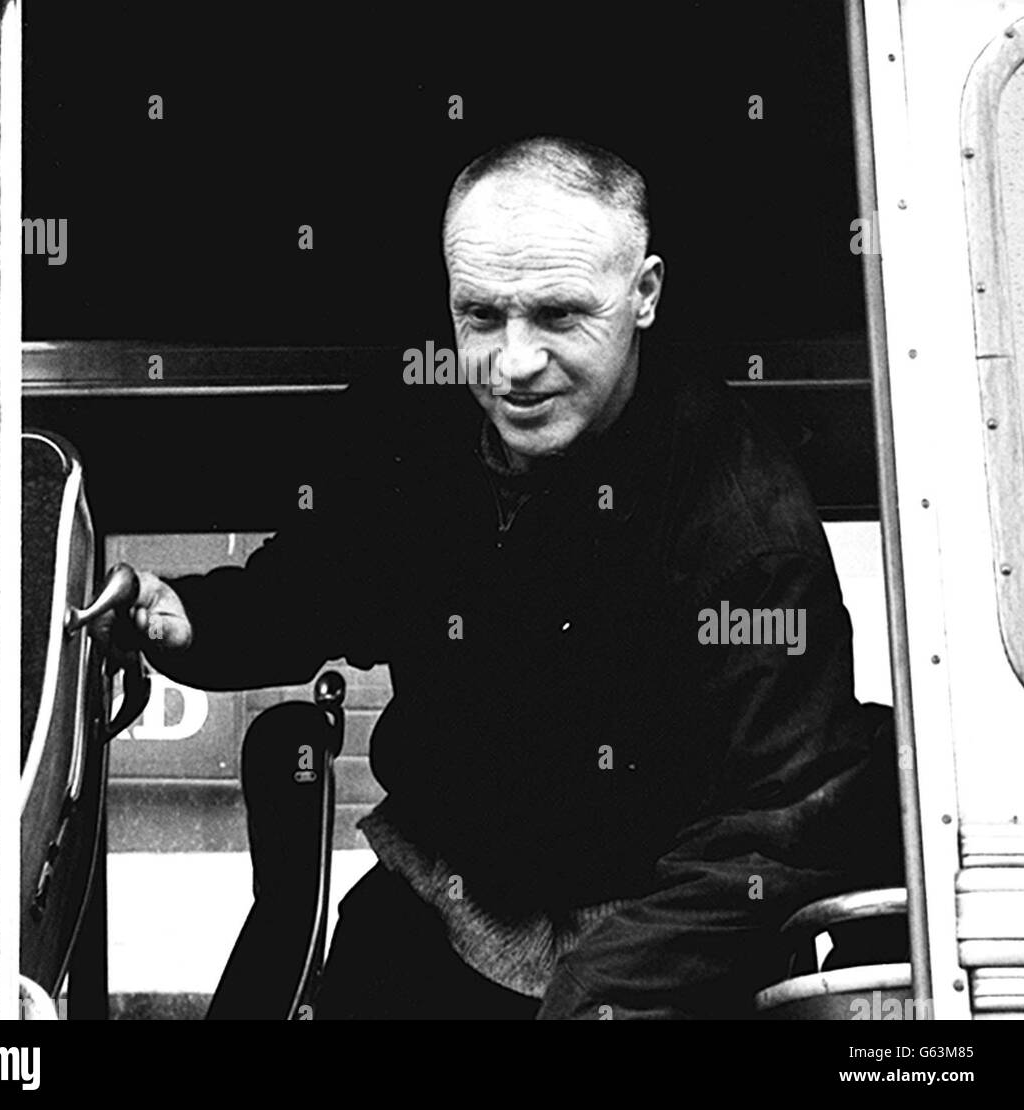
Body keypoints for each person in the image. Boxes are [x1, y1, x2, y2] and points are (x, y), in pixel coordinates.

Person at [114, 135, 901, 1020]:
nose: (513, 363)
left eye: (561, 317)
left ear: (643, 294)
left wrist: (601, 990)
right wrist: (187, 616)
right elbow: (321, 582)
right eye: (480, 316)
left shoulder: (743, 522)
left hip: (658, 936)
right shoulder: (412, 427)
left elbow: (782, 819)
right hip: (445, 902)